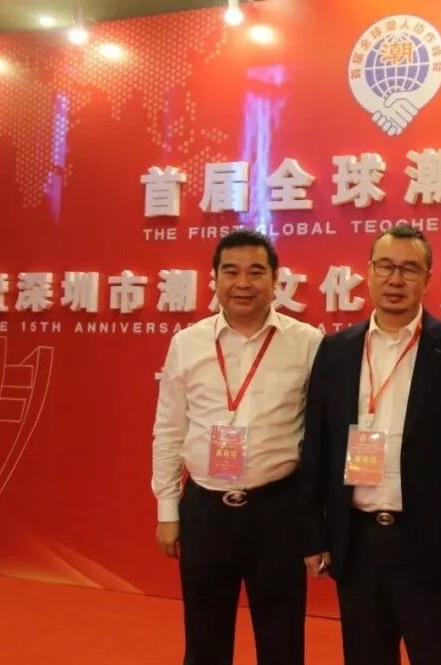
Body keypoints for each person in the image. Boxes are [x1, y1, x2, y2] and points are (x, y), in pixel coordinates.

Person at [298, 225, 441, 665]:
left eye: (409, 269)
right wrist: (314, 533)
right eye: (385, 267)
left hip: (432, 542)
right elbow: (316, 446)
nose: (396, 279)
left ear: (428, 278)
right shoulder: (336, 350)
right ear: (368, 272)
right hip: (358, 543)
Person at [152, 229, 321, 665]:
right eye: (231, 272)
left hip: (278, 511)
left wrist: (316, 520)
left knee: (282, 642)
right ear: (214, 278)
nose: (242, 283)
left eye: (255, 272)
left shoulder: (307, 343)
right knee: (205, 641)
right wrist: (168, 510)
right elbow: (169, 429)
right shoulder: (187, 343)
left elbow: (321, 433)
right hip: (206, 511)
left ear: (276, 279)